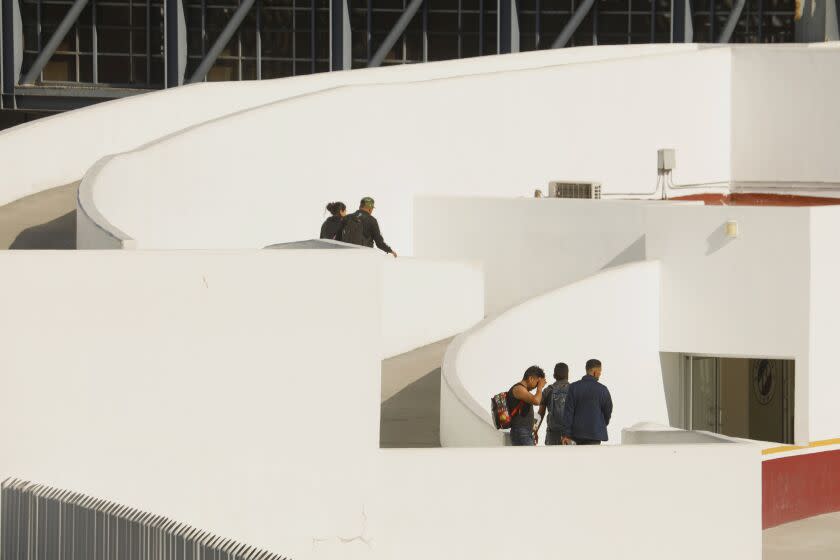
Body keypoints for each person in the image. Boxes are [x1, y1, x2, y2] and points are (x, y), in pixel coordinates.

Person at [561, 359, 613, 445]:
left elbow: (568, 412)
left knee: (577, 458)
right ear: (595, 372)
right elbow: (608, 411)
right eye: (600, 372)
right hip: (595, 434)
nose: (600, 374)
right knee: (594, 458)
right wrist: (601, 423)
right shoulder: (603, 390)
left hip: (576, 434)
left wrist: (566, 434)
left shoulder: (573, 387)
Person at [507, 366, 546, 446]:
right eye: (537, 383)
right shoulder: (518, 389)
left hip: (525, 432)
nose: (536, 386)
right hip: (521, 432)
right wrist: (540, 388)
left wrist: (534, 430)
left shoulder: (523, 390)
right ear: (531, 378)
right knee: (531, 458)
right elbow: (537, 401)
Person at [537, 362, 570, 446]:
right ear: (568, 375)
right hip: (570, 434)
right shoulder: (574, 389)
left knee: (551, 458)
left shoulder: (548, 390)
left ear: (554, 375)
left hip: (552, 434)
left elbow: (541, 413)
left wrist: (535, 430)